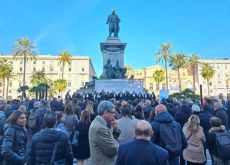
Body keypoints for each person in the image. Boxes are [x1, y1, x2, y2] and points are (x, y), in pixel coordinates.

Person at [89, 101, 120, 165]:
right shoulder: (100, 128)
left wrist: (114, 129)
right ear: (105, 113)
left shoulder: (101, 124)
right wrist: (118, 146)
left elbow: (111, 140)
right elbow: (112, 150)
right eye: (113, 112)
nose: (114, 115)